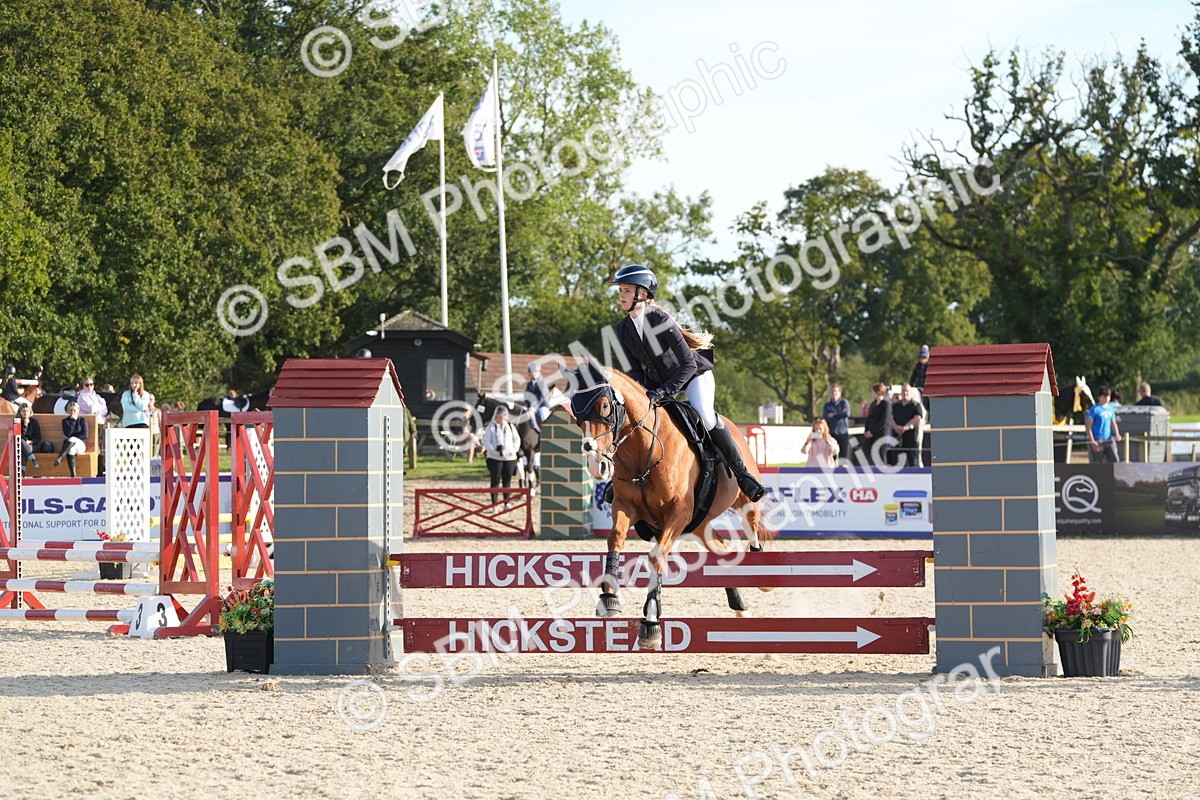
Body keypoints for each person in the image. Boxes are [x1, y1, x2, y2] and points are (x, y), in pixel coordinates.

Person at [609, 264, 765, 501]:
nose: (622, 295)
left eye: (627, 290)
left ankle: (743, 475)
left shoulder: (660, 320)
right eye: (620, 290)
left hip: (692, 375)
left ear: (643, 293)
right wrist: (643, 395)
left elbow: (688, 365)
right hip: (659, 382)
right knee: (638, 417)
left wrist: (663, 392)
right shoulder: (623, 328)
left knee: (705, 415)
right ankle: (625, 479)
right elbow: (633, 370)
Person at [481, 405, 520, 507]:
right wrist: (493, 451)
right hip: (495, 458)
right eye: (499, 416)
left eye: (503, 416)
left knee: (507, 481)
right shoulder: (491, 427)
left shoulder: (510, 426)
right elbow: (486, 440)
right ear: (496, 416)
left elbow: (517, 439)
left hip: (509, 458)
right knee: (495, 481)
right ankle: (494, 504)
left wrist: (513, 450)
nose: (501, 418)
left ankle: (506, 502)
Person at [889, 384, 925, 466]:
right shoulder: (895, 406)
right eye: (903, 391)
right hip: (897, 439)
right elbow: (890, 418)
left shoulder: (915, 405)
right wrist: (896, 427)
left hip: (911, 440)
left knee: (913, 463)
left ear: (910, 392)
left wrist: (906, 427)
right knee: (896, 463)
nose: (905, 393)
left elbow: (917, 418)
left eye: (907, 391)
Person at [1086, 386, 1122, 463]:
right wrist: (1092, 441)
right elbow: (1088, 426)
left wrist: (1117, 434)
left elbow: (1113, 423)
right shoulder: (1095, 409)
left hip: (1109, 439)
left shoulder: (1110, 408)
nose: (1107, 399)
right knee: (1097, 463)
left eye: (1108, 396)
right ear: (1099, 397)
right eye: (1104, 396)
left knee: (1115, 460)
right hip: (1098, 440)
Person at [54, 400, 88, 477]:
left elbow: (85, 435)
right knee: (71, 449)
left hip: (80, 445)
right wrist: (72, 421)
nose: (72, 412)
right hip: (70, 446)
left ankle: (60, 457)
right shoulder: (65, 421)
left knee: (72, 439)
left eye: (74, 410)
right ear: (68, 411)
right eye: (71, 410)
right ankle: (73, 475)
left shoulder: (83, 420)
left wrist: (73, 437)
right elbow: (67, 434)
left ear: (78, 410)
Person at [862, 382, 893, 466]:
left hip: (880, 433)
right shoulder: (873, 404)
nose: (872, 393)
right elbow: (869, 418)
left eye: (873, 391)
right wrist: (866, 430)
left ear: (878, 392)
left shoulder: (886, 405)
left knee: (880, 455)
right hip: (870, 434)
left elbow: (884, 421)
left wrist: (872, 431)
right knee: (867, 452)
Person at [821, 384, 851, 464]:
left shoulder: (844, 403)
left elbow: (846, 414)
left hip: (843, 432)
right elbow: (825, 417)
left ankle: (843, 473)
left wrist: (834, 415)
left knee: (843, 455)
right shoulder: (827, 405)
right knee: (831, 455)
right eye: (832, 391)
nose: (834, 393)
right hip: (832, 433)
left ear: (840, 393)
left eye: (836, 391)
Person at [15, 403, 42, 473]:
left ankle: (22, 473)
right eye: (23, 411)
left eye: (27, 411)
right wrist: (25, 425)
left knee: (23, 449)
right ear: (20, 412)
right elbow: (19, 436)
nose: (25, 413)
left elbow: (38, 437)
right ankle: (34, 461)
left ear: (30, 412)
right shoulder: (16, 421)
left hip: (33, 445)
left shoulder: (34, 422)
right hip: (19, 444)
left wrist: (30, 442)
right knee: (20, 442)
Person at [525, 362, 551, 429]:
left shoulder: (543, 383)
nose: (534, 373)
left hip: (542, 405)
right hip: (531, 406)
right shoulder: (529, 384)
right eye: (532, 372)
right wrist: (526, 405)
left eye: (536, 372)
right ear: (529, 373)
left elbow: (542, 397)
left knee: (544, 416)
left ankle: (546, 431)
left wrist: (534, 407)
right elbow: (527, 396)